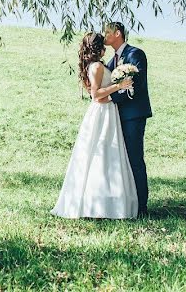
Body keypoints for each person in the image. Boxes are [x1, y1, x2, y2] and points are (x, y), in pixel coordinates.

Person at [51, 32, 138, 219]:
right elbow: (96, 95)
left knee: (105, 155)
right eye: (103, 44)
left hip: (107, 111)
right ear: (98, 47)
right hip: (103, 112)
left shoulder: (96, 65)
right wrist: (119, 85)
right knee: (103, 154)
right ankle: (99, 205)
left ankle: (103, 202)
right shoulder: (97, 66)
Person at [103, 21, 151, 217]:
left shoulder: (135, 54)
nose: (104, 35)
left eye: (107, 32)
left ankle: (141, 207)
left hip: (133, 115)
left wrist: (111, 97)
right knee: (119, 160)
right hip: (115, 116)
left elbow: (136, 84)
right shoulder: (110, 62)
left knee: (134, 159)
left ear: (118, 33)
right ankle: (124, 202)